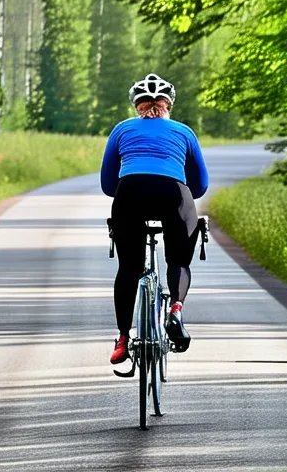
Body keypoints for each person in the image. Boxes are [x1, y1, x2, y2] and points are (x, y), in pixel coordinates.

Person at [100, 73, 209, 365]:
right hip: (174, 193)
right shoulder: (183, 132)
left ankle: (123, 339)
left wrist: (128, 195)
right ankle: (175, 309)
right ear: (168, 105)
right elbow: (200, 186)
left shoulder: (122, 130)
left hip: (130, 193)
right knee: (178, 261)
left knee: (128, 268)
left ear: (137, 106)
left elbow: (108, 184)